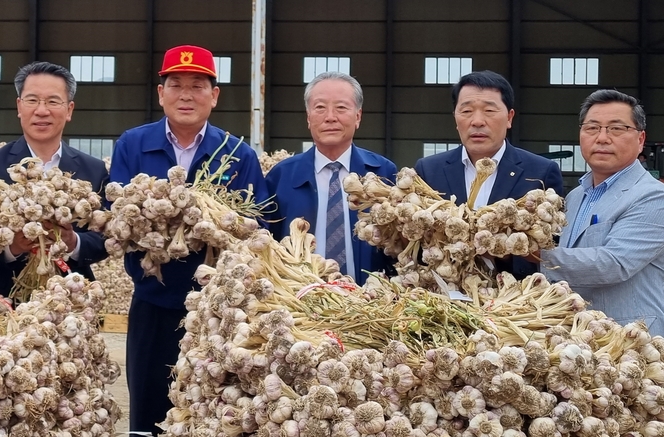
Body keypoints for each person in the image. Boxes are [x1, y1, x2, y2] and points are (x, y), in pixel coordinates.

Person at [109, 44, 267, 437]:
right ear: (160, 93)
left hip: (218, 315)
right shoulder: (133, 145)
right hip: (154, 302)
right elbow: (119, 221)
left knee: (213, 409)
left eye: (198, 85)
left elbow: (255, 229)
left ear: (214, 95)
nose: (186, 93)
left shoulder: (236, 153)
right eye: (175, 84)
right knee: (148, 411)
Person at [0, 61, 108, 298]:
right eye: (32, 100)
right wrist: (11, 247)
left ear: (69, 110)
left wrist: (73, 242)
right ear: (19, 106)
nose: (42, 110)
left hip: (72, 300)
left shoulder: (92, 170)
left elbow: (105, 240)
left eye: (53, 101)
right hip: (1, 298)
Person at [414, 70, 563, 279]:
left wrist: (503, 250)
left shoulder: (541, 171)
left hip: (514, 301)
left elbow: (553, 248)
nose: (477, 121)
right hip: (444, 298)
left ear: (509, 117)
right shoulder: (428, 171)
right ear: (456, 119)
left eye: (489, 111)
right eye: (466, 111)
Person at [540, 89, 664, 336]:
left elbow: (614, 263)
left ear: (640, 139)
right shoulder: (575, 197)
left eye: (616, 129)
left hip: (630, 338)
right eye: (592, 128)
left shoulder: (653, 196)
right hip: (578, 337)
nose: (602, 138)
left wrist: (535, 254)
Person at [266, 71, 397, 286]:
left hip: (370, 302)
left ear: (358, 116)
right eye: (320, 107)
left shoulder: (383, 173)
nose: (330, 117)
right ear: (308, 117)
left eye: (341, 108)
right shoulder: (281, 176)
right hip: (298, 303)